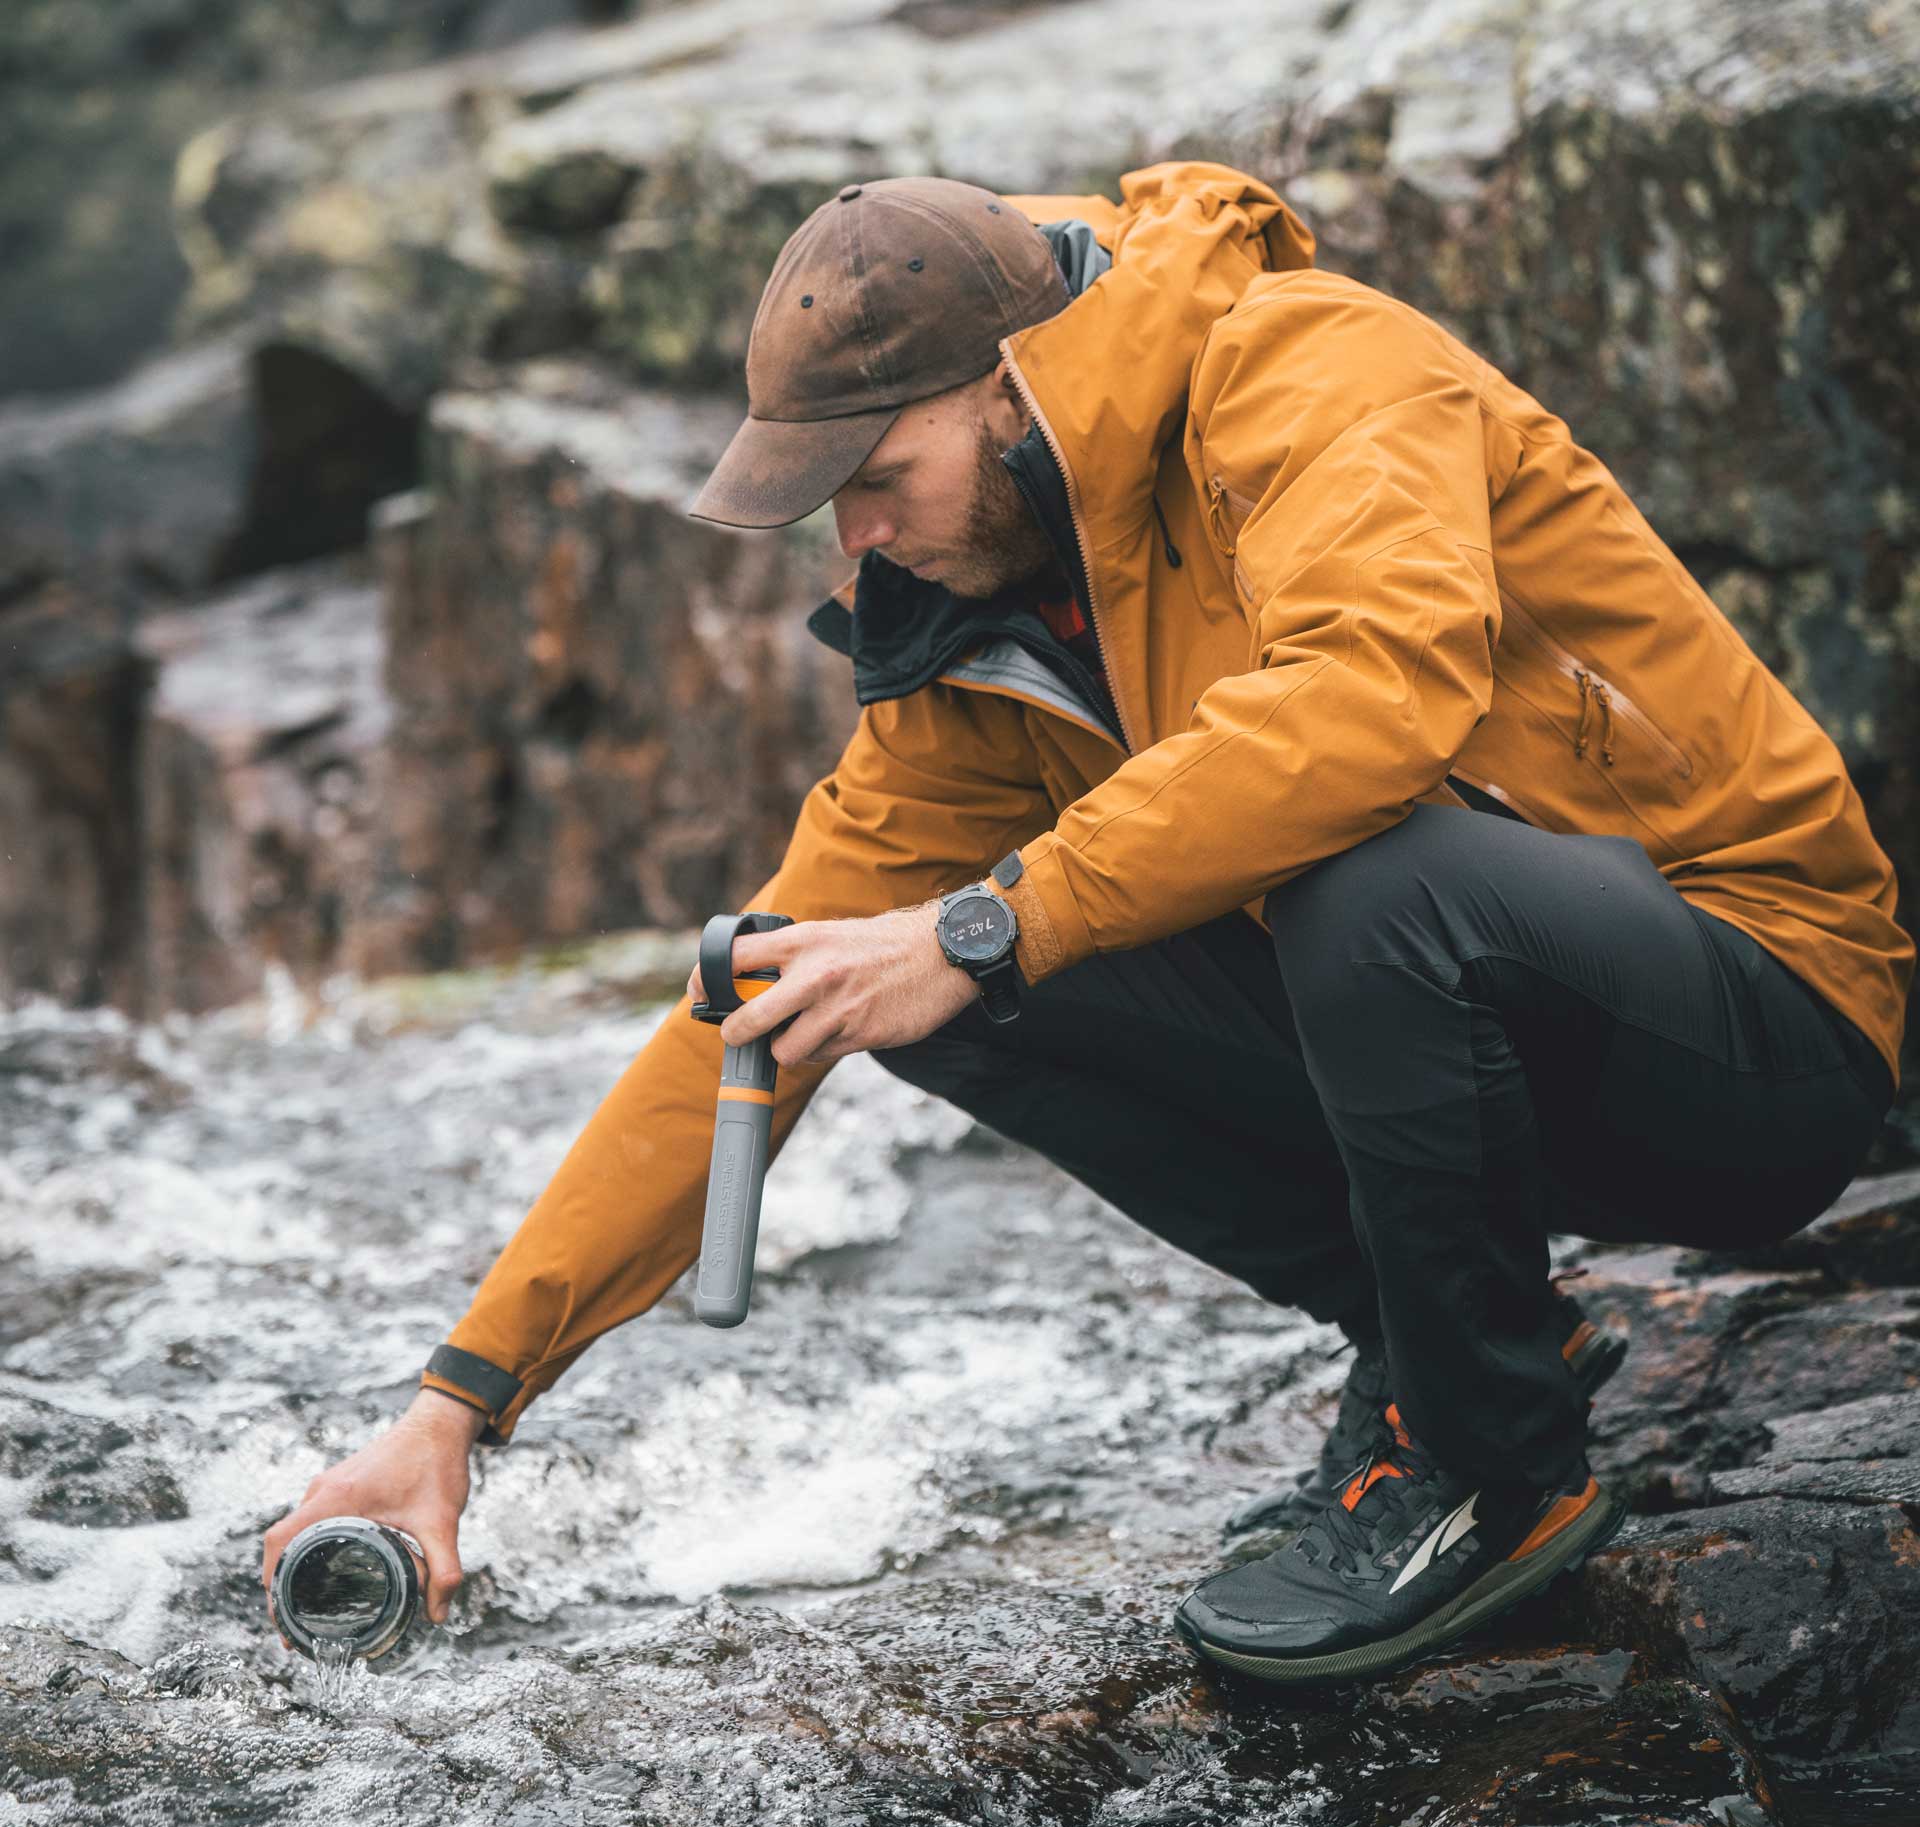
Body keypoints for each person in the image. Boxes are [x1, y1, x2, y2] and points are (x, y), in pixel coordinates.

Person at [263, 165, 1909, 1685]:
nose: (857, 538)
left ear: (1007, 386)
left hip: (1758, 1025)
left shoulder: (1313, 365)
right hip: (1502, 1056)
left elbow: (1372, 699)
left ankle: (1495, 1469)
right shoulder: (981, 620)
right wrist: (460, 1402)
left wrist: (988, 924)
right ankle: (1446, 1344)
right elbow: (747, 1009)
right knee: (865, 974)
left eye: (876, 479)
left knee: (1334, 875)